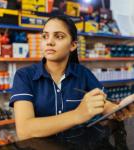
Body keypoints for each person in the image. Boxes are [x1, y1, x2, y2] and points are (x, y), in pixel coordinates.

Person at [9, 15, 134, 145]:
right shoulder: (24, 76)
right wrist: (78, 114)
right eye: (45, 36)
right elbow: (25, 130)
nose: (49, 42)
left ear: (73, 45)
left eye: (59, 36)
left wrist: (116, 110)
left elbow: (104, 103)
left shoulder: (83, 73)